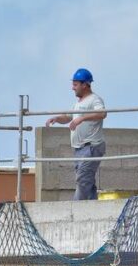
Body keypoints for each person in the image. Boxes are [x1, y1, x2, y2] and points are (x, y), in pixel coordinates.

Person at [45, 68, 107, 200]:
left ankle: (74, 210)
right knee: (87, 182)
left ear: (85, 84)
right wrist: (56, 118)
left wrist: (82, 118)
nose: (73, 88)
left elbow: (102, 113)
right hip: (79, 149)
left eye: (75, 84)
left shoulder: (94, 99)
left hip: (91, 147)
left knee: (82, 180)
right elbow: (68, 117)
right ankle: (91, 208)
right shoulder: (78, 104)